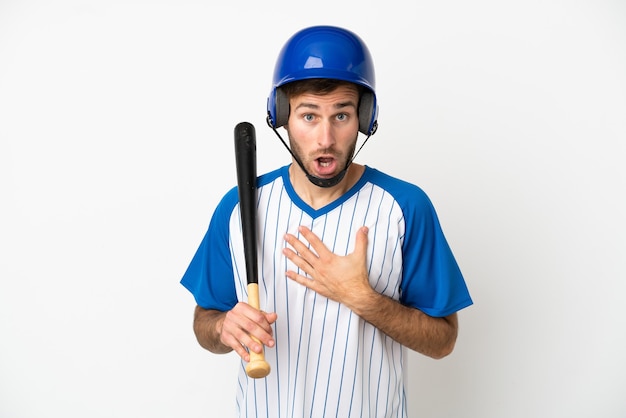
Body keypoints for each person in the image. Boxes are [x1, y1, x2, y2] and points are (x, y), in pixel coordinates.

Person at [180, 25, 473, 418]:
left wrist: (363, 299)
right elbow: (204, 321)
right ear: (282, 117)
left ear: (364, 118)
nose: (325, 138)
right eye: (308, 115)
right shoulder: (238, 207)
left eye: (341, 114)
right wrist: (222, 328)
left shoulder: (404, 207)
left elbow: (443, 340)